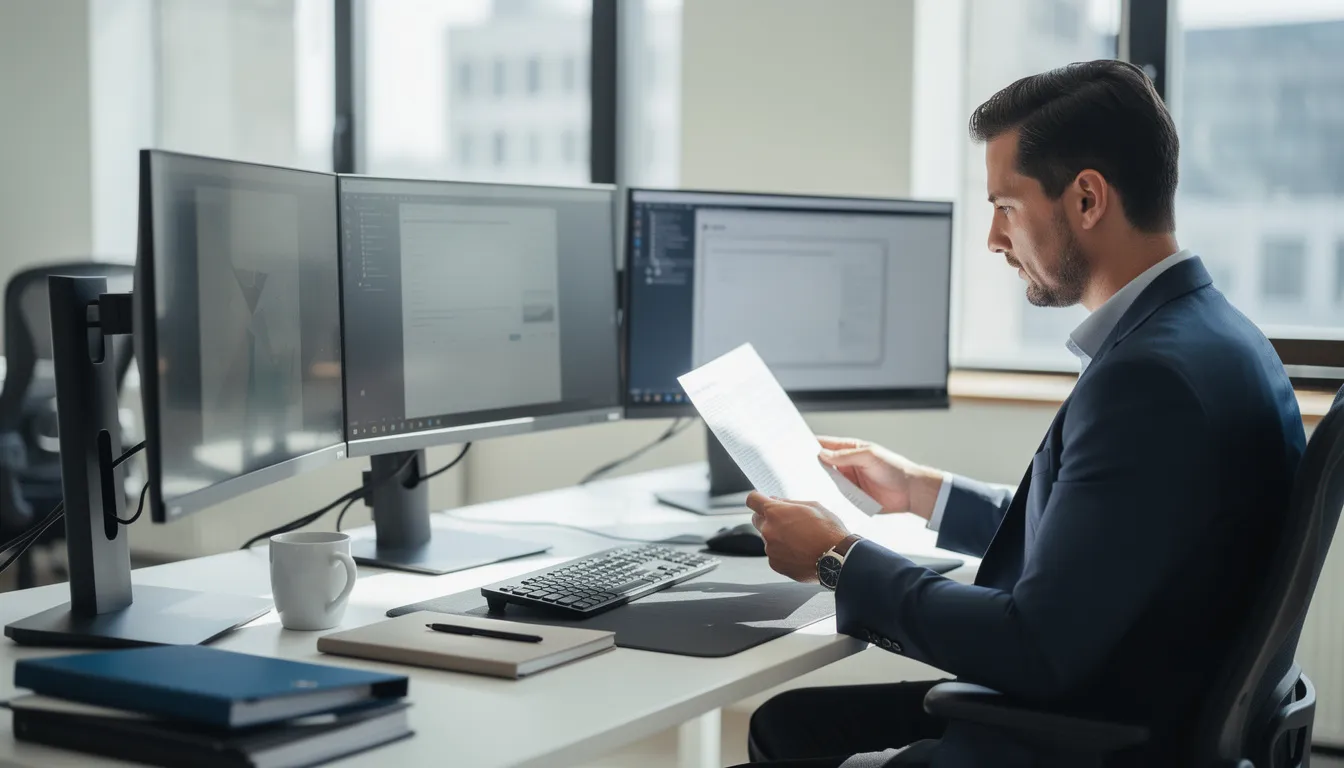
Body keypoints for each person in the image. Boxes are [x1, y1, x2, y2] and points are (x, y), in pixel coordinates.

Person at [737, 60, 1305, 768]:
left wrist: (838, 559)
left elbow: (1033, 645)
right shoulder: (1217, 337)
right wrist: (921, 490)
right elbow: (1109, 535)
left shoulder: (1150, 377)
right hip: (1139, 699)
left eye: (1005, 206)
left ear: (1087, 199)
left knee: (787, 740)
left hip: (1093, 733)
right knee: (789, 725)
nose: (994, 240)